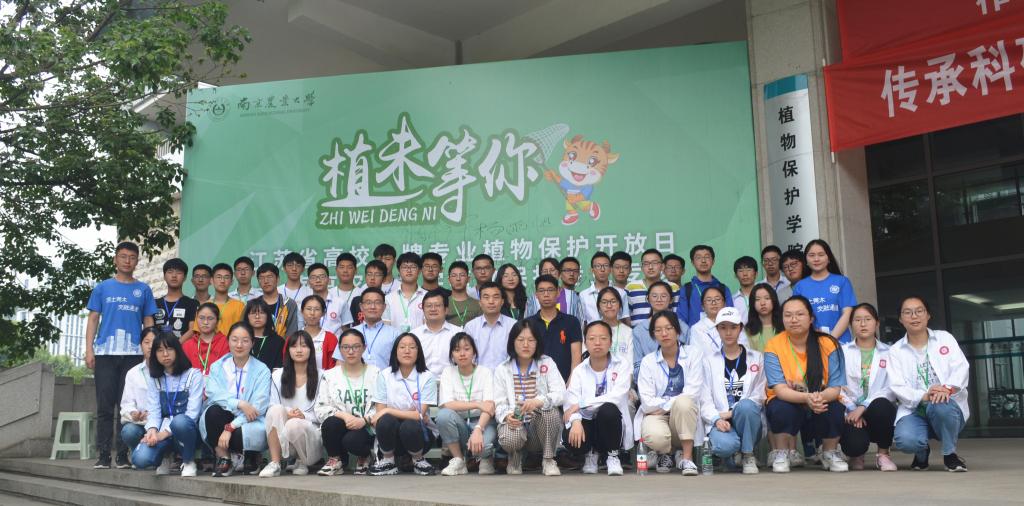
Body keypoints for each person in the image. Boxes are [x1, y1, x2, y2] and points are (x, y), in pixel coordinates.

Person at [85, 241, 157, 469]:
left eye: (132, 257)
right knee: (105, 406)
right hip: (105, 354)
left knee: (127, 406)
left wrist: (150, 350)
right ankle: (104, 454)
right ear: (115, 259)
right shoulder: (102, 288)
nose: (127, 261)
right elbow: (93, 319)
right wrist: (89, 349)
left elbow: (148, 322)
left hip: (133, 356)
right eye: (123, 256)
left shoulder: (143, 290)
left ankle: (123, 455)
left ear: (137, 261)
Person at [763, 296, 848, 473]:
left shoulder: (828, 343)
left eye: (800, 314)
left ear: (811, 318)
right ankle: (781, 452)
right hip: (790, 400)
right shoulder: (773, 345)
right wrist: (807, 397)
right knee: (779, 408)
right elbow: (779, 390)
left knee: (835, 407)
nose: (793, 319)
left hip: (820, 399)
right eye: (788, 315)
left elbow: (835, 388)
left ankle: (829, 452)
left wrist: (817, 398)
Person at [889, 296, 969, 472]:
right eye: (908, 312)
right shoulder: (895, 351)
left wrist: (946, 389)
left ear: (928, 315)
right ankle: (921, 451)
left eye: (919, 311)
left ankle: (950, 454)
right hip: (915, 409)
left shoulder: (944, 338)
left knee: (941, 405)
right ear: (901, 319)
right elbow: (897, 386)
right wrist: (925, 395)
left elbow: (961, 368)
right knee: (906, 441)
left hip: (946, 406)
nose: (914, 316)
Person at [634, 310, 705, 476]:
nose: (664, 334)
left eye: (668, 328)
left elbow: (693, 392)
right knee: (656, 436)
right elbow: (647, 401)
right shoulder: (648, 361)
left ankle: (686, 458)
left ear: (678, 331)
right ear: (653, 334)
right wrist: (667, 406)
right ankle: (667, 453)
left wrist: (666, 405)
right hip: (657, 416)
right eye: (658, 330)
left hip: (682, 413)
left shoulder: (693, 354)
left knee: (684, 403)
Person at [494, 320, 567, 476]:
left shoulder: (547, 363)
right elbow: (499, 402)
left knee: (551, 412)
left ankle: (548, 460)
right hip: (516, 424)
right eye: (520, 340)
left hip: (537, 428)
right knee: (510, 436)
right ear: (512, 342)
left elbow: (561, 393)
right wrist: (507, 416)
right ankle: (515, 458)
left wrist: (539, 401)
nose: (525, 345)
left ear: (537, 342)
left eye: (531, 340)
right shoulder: (503, 369)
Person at [200, 322, 272, 477]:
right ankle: (224, 457)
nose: (239, 345)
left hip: (250, 420)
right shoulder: (218, 366)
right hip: (226, 415)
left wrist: (231, 427)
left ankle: (252, 456)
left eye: (245, 341)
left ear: (252, 343)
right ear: (228, 341)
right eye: (234, 340)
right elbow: (213, 393)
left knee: (243, 433)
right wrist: (239, 403)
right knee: (212, 413)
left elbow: (259, 406)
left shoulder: (262, 370)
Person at [699, 309, 766, 475]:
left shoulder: (756, 358)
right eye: (723, 327)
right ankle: (732, 453)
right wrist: (716, 419)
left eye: (733, 327)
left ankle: (748, 455)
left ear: (740, 328)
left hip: (747, 418)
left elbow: (759, 395)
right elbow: (704, 398)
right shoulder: (708, 361)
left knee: (746, 407)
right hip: (720, 419)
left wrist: (732, 412)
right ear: (717, 329)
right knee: (724, 446)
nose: (728, 332)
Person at [563, 321, 633, 476]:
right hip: (587, 421)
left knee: (608, 409)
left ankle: (612, 455)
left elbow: (616, 397)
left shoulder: (622, 365)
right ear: (585, 342)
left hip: (610, 422)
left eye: (603, 338)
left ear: (610, 341)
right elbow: (571, 402)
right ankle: (591, 453)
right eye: (592, 338)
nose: (597, 343)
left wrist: (583, 403)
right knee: (571, 433)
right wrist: (575, 421)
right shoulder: (579, 370)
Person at [132, 331, 204, 477]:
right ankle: (164, 457)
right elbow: (154, 410)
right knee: (139, 459)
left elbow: (193, 414)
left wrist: (163, 434)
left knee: (180, 422)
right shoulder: (155, 378)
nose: (165, 354)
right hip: (162, 428)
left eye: (169, 349)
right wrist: (152, 431)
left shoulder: (193, 375)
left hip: (187, 431)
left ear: (177, 350)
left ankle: (188, 460)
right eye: (159, 350)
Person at [369, 333, 438, 476]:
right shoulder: (384, 375)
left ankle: (418, 460)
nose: (407, 351)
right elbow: (380, 416)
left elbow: (419, 415)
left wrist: (389, 410)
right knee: (386, 421)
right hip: (391, 439)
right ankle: (388, 461)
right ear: (395, 351)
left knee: (409, 424)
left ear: (418, 352)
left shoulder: (427, 377)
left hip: (419, 436)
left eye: (412, 347)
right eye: (402, 347)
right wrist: (407, 412)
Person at [839, 303, 898, 471]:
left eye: (867, 319)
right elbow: (836, 385)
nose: (863, 324)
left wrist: (863, 407)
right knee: (854, 445)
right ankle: (857, 455)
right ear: (851, 325)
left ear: (877, 323)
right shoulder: (842, 352)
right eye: (857, 320)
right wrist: (852, 409)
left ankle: (883, 454)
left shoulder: (890, 352)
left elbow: (892, 387)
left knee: (882, 406)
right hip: (850, 411)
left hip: (878, 411)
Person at [316, 328, 379, 476]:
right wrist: (345, 416)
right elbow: (321, 408)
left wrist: (364, 420)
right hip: (342, 424)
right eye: (346, 347)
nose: (351, 351)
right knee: (330, 423)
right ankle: (335, 460)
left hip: (366, 426)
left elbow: (382, 406)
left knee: (352, 440)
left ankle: (365, 456)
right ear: (340, 349)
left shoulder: (375, 373)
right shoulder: (330, 375)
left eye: (356, 347)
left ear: (364, 348)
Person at [261, 331, 324, 477]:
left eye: (304, 346)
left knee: (294, 424)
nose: (299, 350)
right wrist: (287, 413)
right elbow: (271, 406)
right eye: (294, 346)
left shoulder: (322, 376)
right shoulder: (277, 375)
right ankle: (275, 463)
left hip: (310, 437)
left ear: (311, 350)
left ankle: (302, 461)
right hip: (284, 436)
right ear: (288, 350)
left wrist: (303, 416)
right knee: (276, 410)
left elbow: (323, 410)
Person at [437, 332, 498, 475]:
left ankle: (486, 458)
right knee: (443, 415)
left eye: (466, 349)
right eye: (457, 350)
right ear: (452, 355)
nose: (462, 354)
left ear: (474, 352)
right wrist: (477, 404)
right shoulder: (448, 372)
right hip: (461, 424)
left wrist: (478, 429)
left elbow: (489, 407)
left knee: (484, 447)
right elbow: (447, 404)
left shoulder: (485, 372)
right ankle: (459, 460)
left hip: (483, 422)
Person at [793, 240, 857, 344]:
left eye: (821, 255)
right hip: (811, 343)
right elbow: (798, 317)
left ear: (828, 258)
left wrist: (830, 339)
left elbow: (847, 313)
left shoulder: (842, 281)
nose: (816, 259)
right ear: (806, 260)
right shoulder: (800, 286)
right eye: (812, 255)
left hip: (840, 342)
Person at [527, 274, 582, 382]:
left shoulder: (571, 322)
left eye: (550, 290)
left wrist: (571, 383)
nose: (546, 294)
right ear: (536, 295)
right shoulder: (528, 323)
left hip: (565, 383)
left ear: (558, 292)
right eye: (542, 291)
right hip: (535, 383)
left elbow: (576, 356)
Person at [335, 287, 400, 370]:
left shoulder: (395, 334)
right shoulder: (349, 334)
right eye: (368, 302)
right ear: (361, 307)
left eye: (377, 303)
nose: (372, 307)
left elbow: (399, 364)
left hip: (383, 377)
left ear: (384, 307)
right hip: (355, 378)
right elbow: (340, 363)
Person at [631, 282, 686, 379]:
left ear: (671, 299)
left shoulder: (683, 327)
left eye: (663, 296)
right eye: (654, 296)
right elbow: (637, 368)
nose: (659, 299)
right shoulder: (638, 331)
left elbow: (689, 360)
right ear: (648, 299)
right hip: (649, 382)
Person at [119, 328, 157, 466]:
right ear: (141, 345)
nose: (150, 346)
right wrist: (133, 413)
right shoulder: (133, 373)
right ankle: (137, 451)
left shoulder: (167, 371)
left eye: (154, 342)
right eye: (146, 342)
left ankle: (162, 456)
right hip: (140, 424)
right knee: (129, 431)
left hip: (160, 424)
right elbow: (126, 403)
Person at [464, 281, 517, 369]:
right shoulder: (470, 327)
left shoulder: (513, 325)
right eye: (486, 297)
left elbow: (516, 355)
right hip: (478, 376)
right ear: (480, 302)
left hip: (507, 375)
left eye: (496, 297)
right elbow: (467, 356)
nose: (491, 301)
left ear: (502, 302)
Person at [677, 245, 734, 327]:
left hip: (720, 334)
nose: (703, 261)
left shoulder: (723, 289)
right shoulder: (687, 289)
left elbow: (730, 317)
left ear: (713, 261)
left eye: (707, 257)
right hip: (694, 335)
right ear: (692, 262)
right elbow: (681, 320)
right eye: (698, 257)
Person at [414, 289, 463, 376]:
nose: (433, 309)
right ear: (423, 310)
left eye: (437, 305)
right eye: (429, 306)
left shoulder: (458, 333)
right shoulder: (414, 335)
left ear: (446, 310)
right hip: (421, 382)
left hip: (451, 381)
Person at [625, 249, 679, 326]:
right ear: (641, 267)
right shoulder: (631, 287)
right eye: (646, 264)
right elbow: (626, 315)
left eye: (654, 263)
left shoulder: (673, 287)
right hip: (638, 331)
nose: (650, 267)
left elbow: (676, 314)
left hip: (665, 330)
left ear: (662, 266)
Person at [526, 258, 585, 326]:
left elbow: (580, 322)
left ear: (559, 274)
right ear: (540, 274)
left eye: (552, 270)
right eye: (545, 271)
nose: (549, 274)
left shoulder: (572, 296)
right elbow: (527, 323)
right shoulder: (533, 299)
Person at [688, 289, 748, 356]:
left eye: (717, 299)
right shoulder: (697, 329)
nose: (713, 303)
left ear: (724, 304)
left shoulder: (735, 323)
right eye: (709, 300)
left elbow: (745, 348)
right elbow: (695, 355)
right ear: (703, 306)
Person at [580, 252, 629, 325]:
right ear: (592, 270)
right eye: (598, 266)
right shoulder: (584, 295)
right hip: (592, 331)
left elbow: (624, 319)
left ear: (610, 269)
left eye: (605, 266)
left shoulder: (621, 293)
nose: (602, 269)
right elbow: (583, 322)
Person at [382, 252, 427, 332]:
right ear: (399, 270)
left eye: (413, 267)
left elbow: (428, 326)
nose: (409, 270)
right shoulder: (388, 299)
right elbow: (386, 328)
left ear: (420, 270)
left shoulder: (427, 297)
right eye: (405, 267)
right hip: (396, 340)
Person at [154, 258, 198, 340]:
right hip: (158, 347)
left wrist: (176, 345)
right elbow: (150, 329)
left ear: (185, 277)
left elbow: (192, 329)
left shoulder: (192, 303)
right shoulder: (154, 304)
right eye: (170, 272)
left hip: (182, 347)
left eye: (179, 272)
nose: (174, 275)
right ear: (164, 276)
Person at [185, 303, 229, 376]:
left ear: (217, 321)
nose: (205, 322)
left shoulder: (226, 342)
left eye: (210, 318)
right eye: (201, 318)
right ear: (196, 319)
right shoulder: (187, 345)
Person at [256, 263, 299, 338]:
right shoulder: (253, 305)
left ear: (277, 279)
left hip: (282, 344)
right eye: (262, 278)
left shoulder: (289, 304)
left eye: (269, 277)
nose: (266, 281)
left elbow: (292, 333)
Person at [299, 294, 338, 373]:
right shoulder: (293, 338)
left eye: (317, 309)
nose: (312, 313)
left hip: (324, 379)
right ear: (302, 311)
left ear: (323, 313)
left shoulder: (330, 338)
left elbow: (333, 368)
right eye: (308, 309)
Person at [595, 287, 633, 367]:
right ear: (598, 307)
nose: (609, 306)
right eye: (604, 302)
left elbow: (630, 363)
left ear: (620, 305)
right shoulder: (592, 331)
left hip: (623, 373)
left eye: (613, 301)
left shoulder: (629, 332)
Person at [325, 252, 360, 334]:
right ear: (336, 270)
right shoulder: (329, 294)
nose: (345, 271)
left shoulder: (361, 294)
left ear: (355, 270)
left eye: (349, 267)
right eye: (342, 267)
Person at [245, 298, 285, 370]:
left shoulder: (278, 341)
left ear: (268, 316)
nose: (257, 317)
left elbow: (278, 369)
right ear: (247, 316)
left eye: (261, 313)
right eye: (253, 313)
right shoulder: (241, 340)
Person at [207, 263, 245, 336]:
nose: (222, 281)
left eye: (226, 277)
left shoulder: (240, 306)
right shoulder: (205, 306)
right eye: (219, 277)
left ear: (232, 282)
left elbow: (243, 331)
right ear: (211, 280)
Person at [744, 283, 784, 352]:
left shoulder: (784, 326)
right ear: (752, 303)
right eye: (757, 299)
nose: (762, 303)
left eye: (767, 298)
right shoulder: (748, 330)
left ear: (773, 300)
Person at [350, 260, 387, 325]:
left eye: (377, 275)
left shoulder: (389, 300)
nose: (372, 278)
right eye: (369, 274)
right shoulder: (357, 301)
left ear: (384, 278)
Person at [446, 261, 482, 326]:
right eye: (454, 275)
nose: (458, 279)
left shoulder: (478, 305)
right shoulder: (442, 304)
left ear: (468, 279)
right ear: (449, 280)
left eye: (462, 275)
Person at [307, 262, 336, 332]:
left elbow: (345, 329)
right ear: (308, 282)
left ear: (329, 280)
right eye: (313, 278)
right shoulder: (304, 304)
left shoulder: (340, 303)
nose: (318, 280)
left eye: (322, 277)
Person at [731, 256, 758, 324]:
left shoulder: (764, 296)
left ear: (756, 274)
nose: (745, 274)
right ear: (735, 275)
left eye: (749, 270)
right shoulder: (732, 300)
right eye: (740, 271)